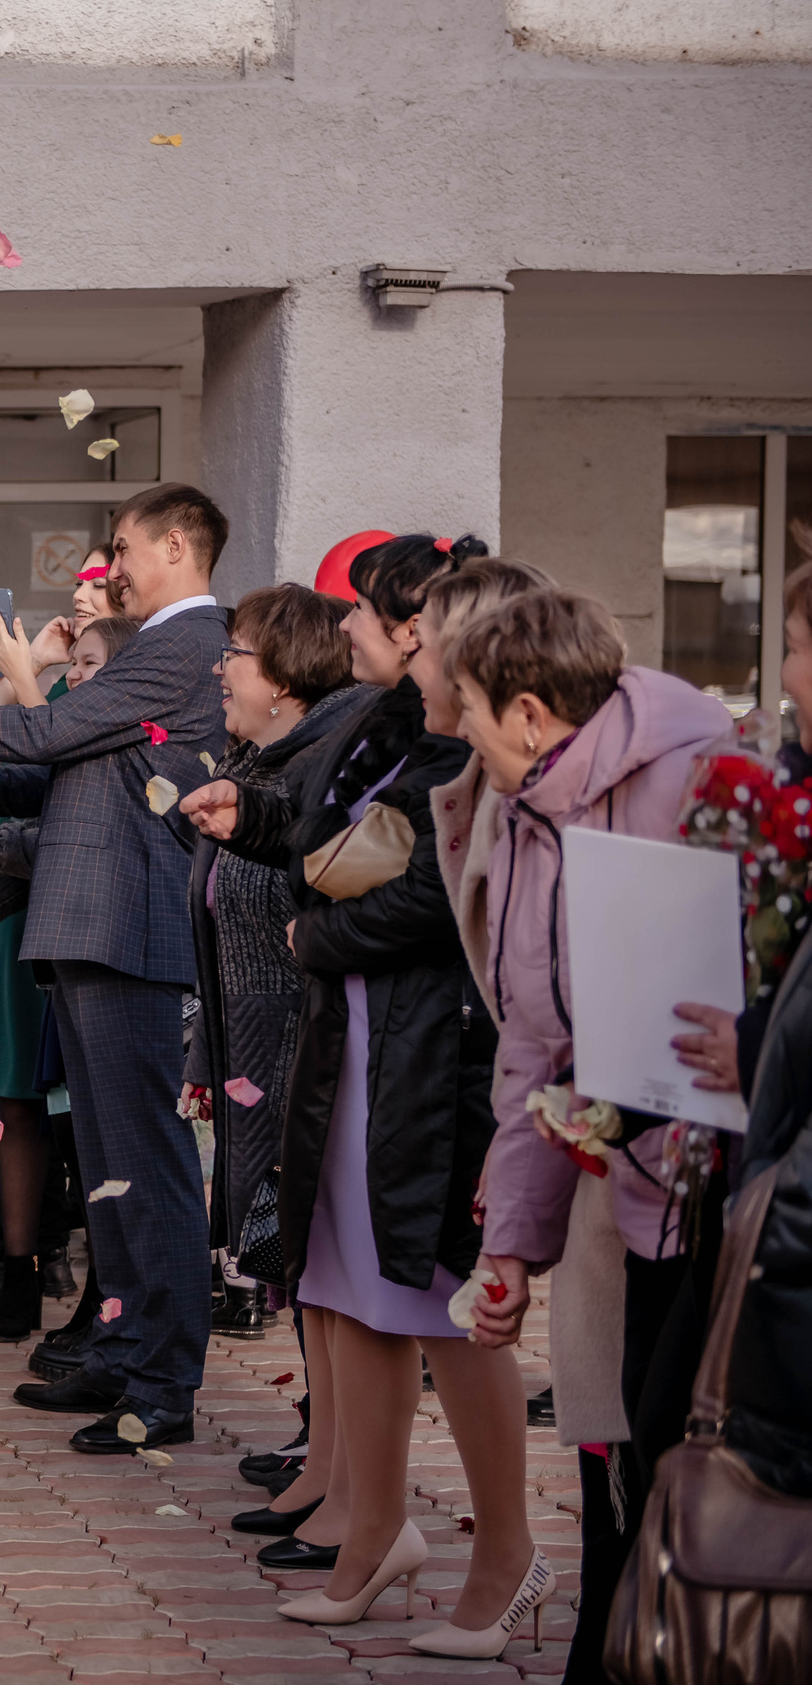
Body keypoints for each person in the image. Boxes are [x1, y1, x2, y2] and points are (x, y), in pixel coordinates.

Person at [182, 537, 538, 1651]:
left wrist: (308, 933)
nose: (346, 630)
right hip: (360, 1042)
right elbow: (347, 844)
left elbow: (429, 901)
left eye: (373, 617)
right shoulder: (393, 730)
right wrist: (266, 830)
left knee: (448, 1307)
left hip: (430, 1054)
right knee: (355, 1284)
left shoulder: (468, 749)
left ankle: (507, 1551)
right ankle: (373, 1530)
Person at [0, 484, 229, 1455]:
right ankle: (120, 1349)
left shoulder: (188, 645)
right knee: (106, 1169)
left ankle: (163, 1380)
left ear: (178, 547)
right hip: (90, 923)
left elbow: (52, 733)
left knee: (142, 1169)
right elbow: (70, 770)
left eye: (121, 549)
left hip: (130, 925)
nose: (106, 569)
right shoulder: (161, 649)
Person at [434, 588, 737, 1679]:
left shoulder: (702, 774)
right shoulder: (522, 810)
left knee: (674, 1456)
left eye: (465, 702)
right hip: (623, 1182)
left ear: (525, 711)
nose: (457, 725)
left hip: (717, 1184)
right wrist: (510, 1245)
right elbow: (532, 1035)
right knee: (617, 1449)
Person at [0, 612, 142, 1342]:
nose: (77, 674)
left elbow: (71, 830)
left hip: (95, 943)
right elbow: (18, 770)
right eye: (74, 661)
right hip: (26, 934)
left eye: (92, 662)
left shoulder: (125, 737)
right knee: (13, 1110)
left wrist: (25, 677)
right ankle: (16, 1272)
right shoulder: (62, 710)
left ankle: (93, 1289)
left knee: (82, 1127)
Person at [181, 585, 362, 1350]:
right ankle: (318, 1436)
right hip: (251, 1042)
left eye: (235, 655)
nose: (221, 670)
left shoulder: (319, 769)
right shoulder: (252, 764)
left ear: (283, 677)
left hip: (296, 1045)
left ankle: (329, 1437)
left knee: (314, 1253)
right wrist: (204, 1052)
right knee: (294, 1265)